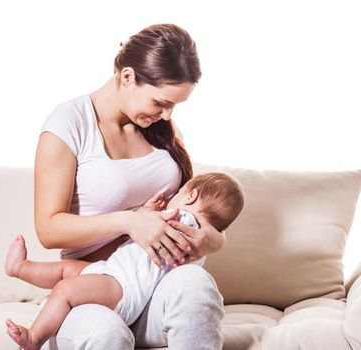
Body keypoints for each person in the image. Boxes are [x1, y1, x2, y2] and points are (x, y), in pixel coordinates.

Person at [31, 23, 228, 349]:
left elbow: (196, 208)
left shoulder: (158, 128)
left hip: (156, 285)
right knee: (107, 334)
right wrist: (130, 220)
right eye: (161, 103)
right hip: (96, 289)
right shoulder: (69, 125)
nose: (167, 116)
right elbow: (48, 230)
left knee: (196, 285)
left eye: (174, 107)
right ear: (127, 77)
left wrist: (213, 240)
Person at [4, 172, 245, 350]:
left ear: (190, 196)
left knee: (66, 287)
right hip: (114, 272)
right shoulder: (193, 236)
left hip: (123, 288)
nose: (174, 196)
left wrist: (146, 213)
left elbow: (153, 224)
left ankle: (34, 337)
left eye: (180, 192)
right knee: (69, 270)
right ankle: (22, 268)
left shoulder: (180, 219)